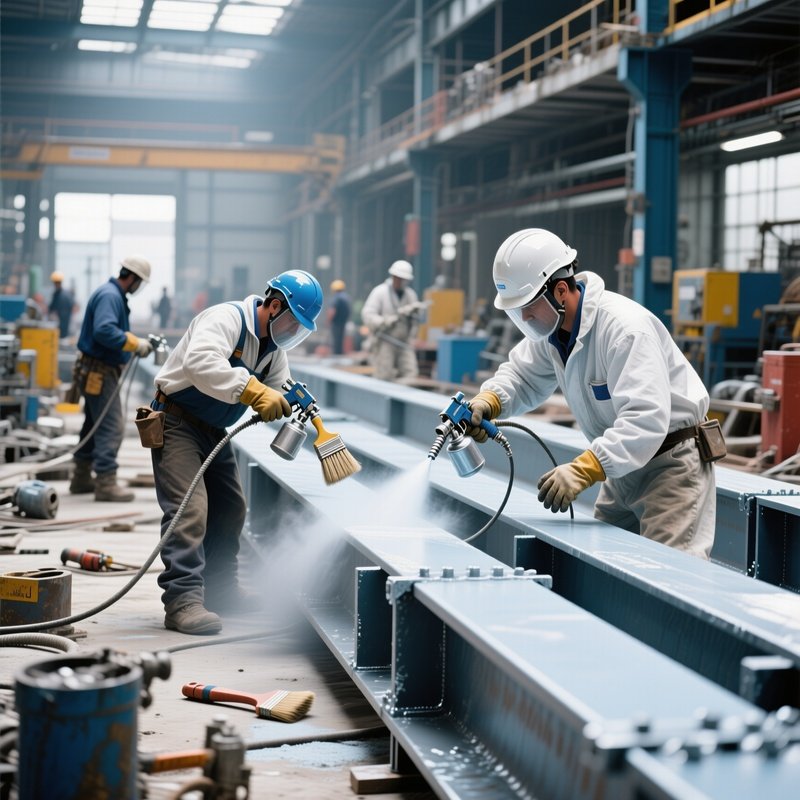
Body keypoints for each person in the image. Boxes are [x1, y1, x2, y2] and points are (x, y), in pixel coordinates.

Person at [466, 228, 716, 559]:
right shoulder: (553, 332)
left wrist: (586, 467)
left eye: (528, 307)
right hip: (622, 467)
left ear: (560, 290)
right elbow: (522, 376)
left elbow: (646, 419)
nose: (524, 318)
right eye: (516, 312)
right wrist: (490, 401)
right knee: (605, 566)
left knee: (671, 580)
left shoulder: (624, 330)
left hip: (669, 465)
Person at [149, 269, 323, 635]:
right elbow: (201, 363)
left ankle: (223, 590)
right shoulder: (225, 318)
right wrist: (251, 391)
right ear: (273, 306)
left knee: (231, 507)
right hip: (176, 422)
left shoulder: (272, 350)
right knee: (189, 509)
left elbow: (280, 386)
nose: (293, 333)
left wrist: (297, 402)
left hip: (212, 429)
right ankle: (182, 600)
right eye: (292, 323)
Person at [69, 256, 155, 502]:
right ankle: (106, 481)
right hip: (99, 371)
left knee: (93, 423)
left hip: (92, 370)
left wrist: (131, 343)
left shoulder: (110, 294)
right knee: (111, 425)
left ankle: (81, 476)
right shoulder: (110, 296)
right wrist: (133, 342)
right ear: (134, 279)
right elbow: (104, 330)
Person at [361, 260, 425, 381]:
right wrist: (384, 321)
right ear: (393, 276)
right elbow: (368, 314)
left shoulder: (410, 295)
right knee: (384, 374)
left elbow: (415, 322)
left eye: (403, 279)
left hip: (404, 342)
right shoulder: (380, 292)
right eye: (398, 278)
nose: (400, 281)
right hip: (386, 340)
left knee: (410, 372)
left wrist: (412, 335)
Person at [48, 272, 76, 338]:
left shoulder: (59, 294)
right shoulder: (66, 294)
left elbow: (51, 308)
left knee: (62, 335)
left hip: (63, 322)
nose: (56, 284)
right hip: (63, 321)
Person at [328, 279, 351, 355]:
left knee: (335, 340)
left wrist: (329, 320)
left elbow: (332, 310)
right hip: (343, 322)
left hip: (336, 323)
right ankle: (339, 354)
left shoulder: (336, 297)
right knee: (340, 339)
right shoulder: (346, 297)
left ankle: (336, 355)